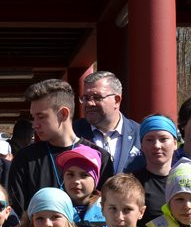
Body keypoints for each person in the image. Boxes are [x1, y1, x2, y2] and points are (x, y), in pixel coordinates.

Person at [8, 81, 113, 216]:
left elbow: (109, 208)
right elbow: (18, 213)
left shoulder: (99, 156)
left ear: (63, 114)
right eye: (33, 117)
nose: (34, 125)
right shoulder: (25, 159)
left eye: (41, 117)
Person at [74, 71, 141, 174]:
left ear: (117, 100)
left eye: (97, 98)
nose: (89, 103)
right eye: (86, 98)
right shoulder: (74, 133)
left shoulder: (140, 134)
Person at [130, 115, 179, 226]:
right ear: (141, 145)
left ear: (175, 143)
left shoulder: (186, 179)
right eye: (150, 140)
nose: (156, 145)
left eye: (163, 139)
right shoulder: (132, 183)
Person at [57, 144, 106, 227]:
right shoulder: (54, 206)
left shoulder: (108, 207)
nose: (76, 181)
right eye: (70, 174)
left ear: (95, 180)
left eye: (84, 175)